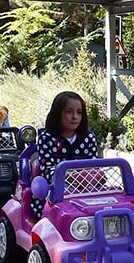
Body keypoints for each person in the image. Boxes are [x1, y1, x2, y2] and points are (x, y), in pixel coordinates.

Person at [31, 91, 99, 219]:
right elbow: (47, 168)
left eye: (79, 112)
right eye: (69, 112)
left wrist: (94, 176)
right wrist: (70, 178)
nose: (75, 117)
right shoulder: (46, 138)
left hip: (86, 187)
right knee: (58, 203)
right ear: (58, 114)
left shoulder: (88, 137)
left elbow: (94, 164)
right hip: (55, 188)